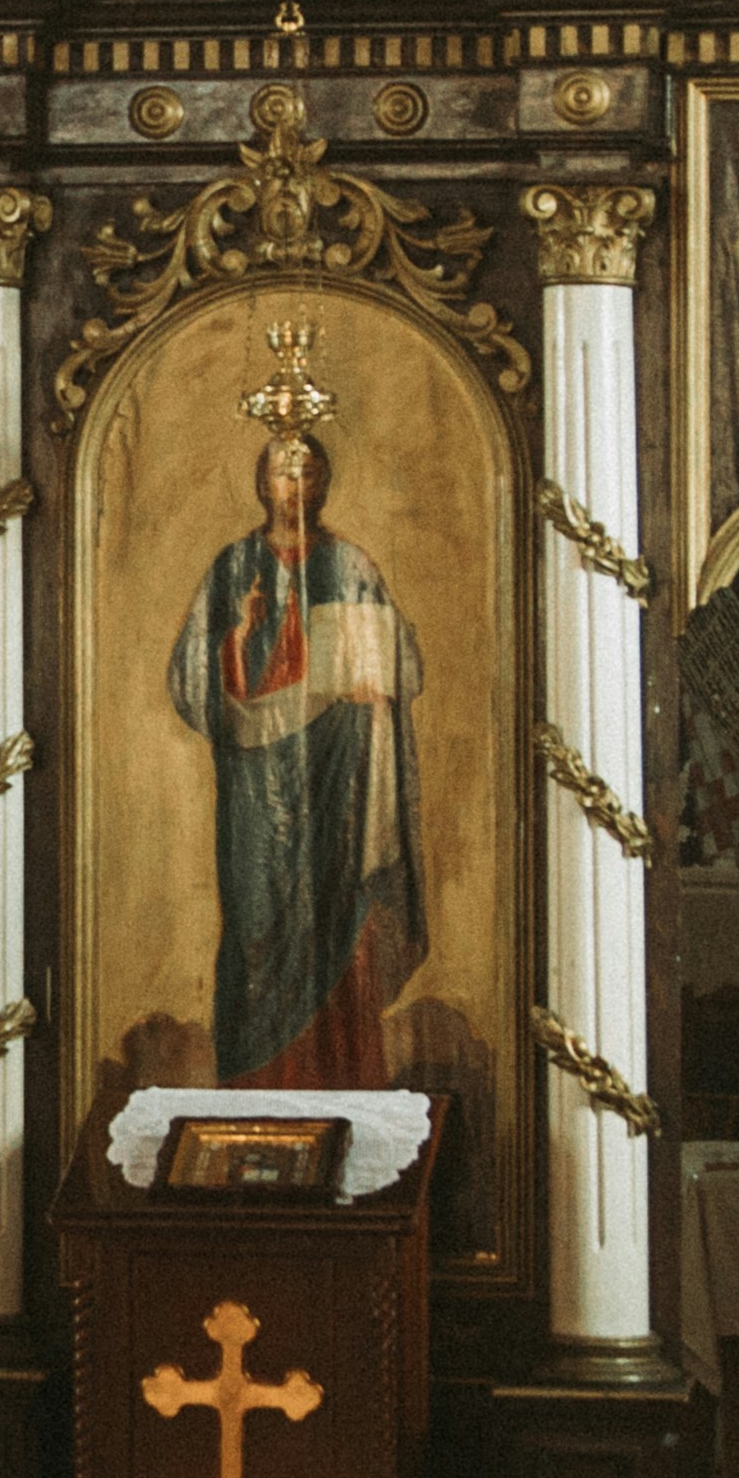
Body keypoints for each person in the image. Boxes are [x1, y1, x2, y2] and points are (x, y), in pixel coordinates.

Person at [169, 427, 429, 1085]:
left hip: (336, 775)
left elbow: (401, 664)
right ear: (261, 482)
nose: (296, 486)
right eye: (283, 473)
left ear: (325, 482)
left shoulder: (352, 567)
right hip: (256, 788)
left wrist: (375, 685)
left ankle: (341, 1081)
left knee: (335, 918)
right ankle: (254, 1088)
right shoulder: (232, 567)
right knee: (257, 926)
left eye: (308, 472)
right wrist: (240, 639)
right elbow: (189, 679)